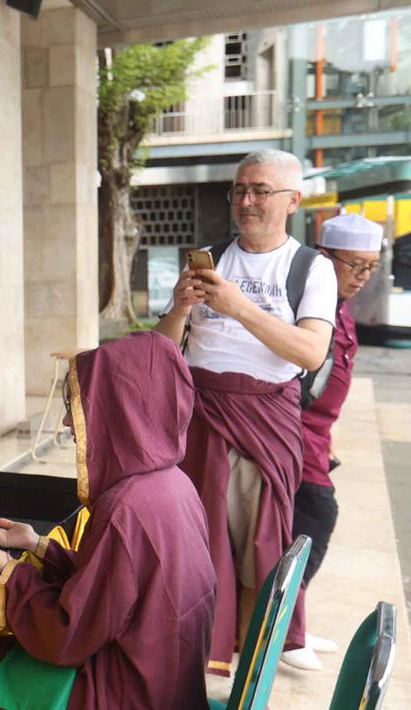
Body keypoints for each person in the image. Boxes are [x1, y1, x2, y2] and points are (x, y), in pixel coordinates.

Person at [0, 332, 216, 709]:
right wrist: (37, 545)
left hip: (130, 690)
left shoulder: (126, 507)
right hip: (172, 680)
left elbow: (69, 634)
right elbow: (116, 587)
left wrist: (10, 571)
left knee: (0, 666)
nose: (69, 423)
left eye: (79, 406)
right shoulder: (175, 482)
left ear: (119, 410)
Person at [153, 149, 337, 679]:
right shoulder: (208, 256)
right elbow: (166, 350)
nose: (247, 201)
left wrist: (239, 308)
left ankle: (257, 652)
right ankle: (201, 649)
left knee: (261, 544)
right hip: (201, 414)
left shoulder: (310, 268)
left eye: (260, 190)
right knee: (202, 539)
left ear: (293, 201)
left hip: (265, 417)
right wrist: (180, 309)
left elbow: (309, 353)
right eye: (239, 190)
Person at [292, 213, 383, 652]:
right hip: (294, 438)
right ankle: (284, 628)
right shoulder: (311, 306)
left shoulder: (339, 308)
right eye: (357, 265)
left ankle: (292, 622)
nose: (364, 276)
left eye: (372, 266)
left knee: (298, 530)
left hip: (318, 440)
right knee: (315, 517)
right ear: (325, 258)